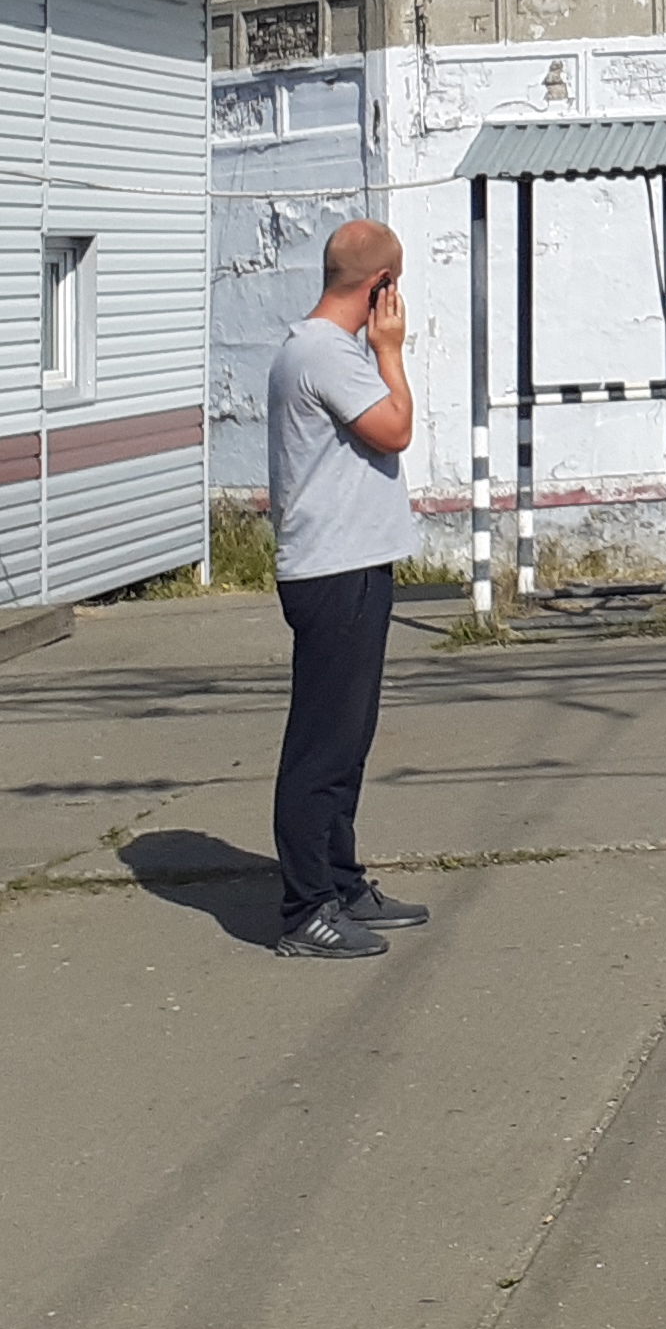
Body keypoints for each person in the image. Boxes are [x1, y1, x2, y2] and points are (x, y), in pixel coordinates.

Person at [266, 219, 433, 961]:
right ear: (381, 286)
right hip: (333, 571)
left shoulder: (318, 350)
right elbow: (394, 429)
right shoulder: (328, 354)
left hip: (352, 564)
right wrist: (390, 350)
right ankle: (306, 909)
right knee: (323, 747)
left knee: (350, 739)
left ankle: (339, 879)